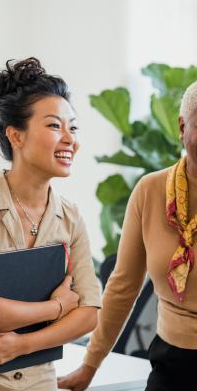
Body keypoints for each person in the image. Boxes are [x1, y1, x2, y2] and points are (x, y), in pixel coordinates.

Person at [0, 57, 101, 390]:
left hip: (39, 381)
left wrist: (24, 345)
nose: (70, 139)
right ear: (16, 136)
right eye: (55, 126)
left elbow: (90, 313)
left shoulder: (71, 217)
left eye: (73, 127)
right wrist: (57, 307)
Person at [58, 80, 197, 391]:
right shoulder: (151, 191)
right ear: (182, 126)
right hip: (172, 362)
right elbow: (122, 287)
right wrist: (89, 365)